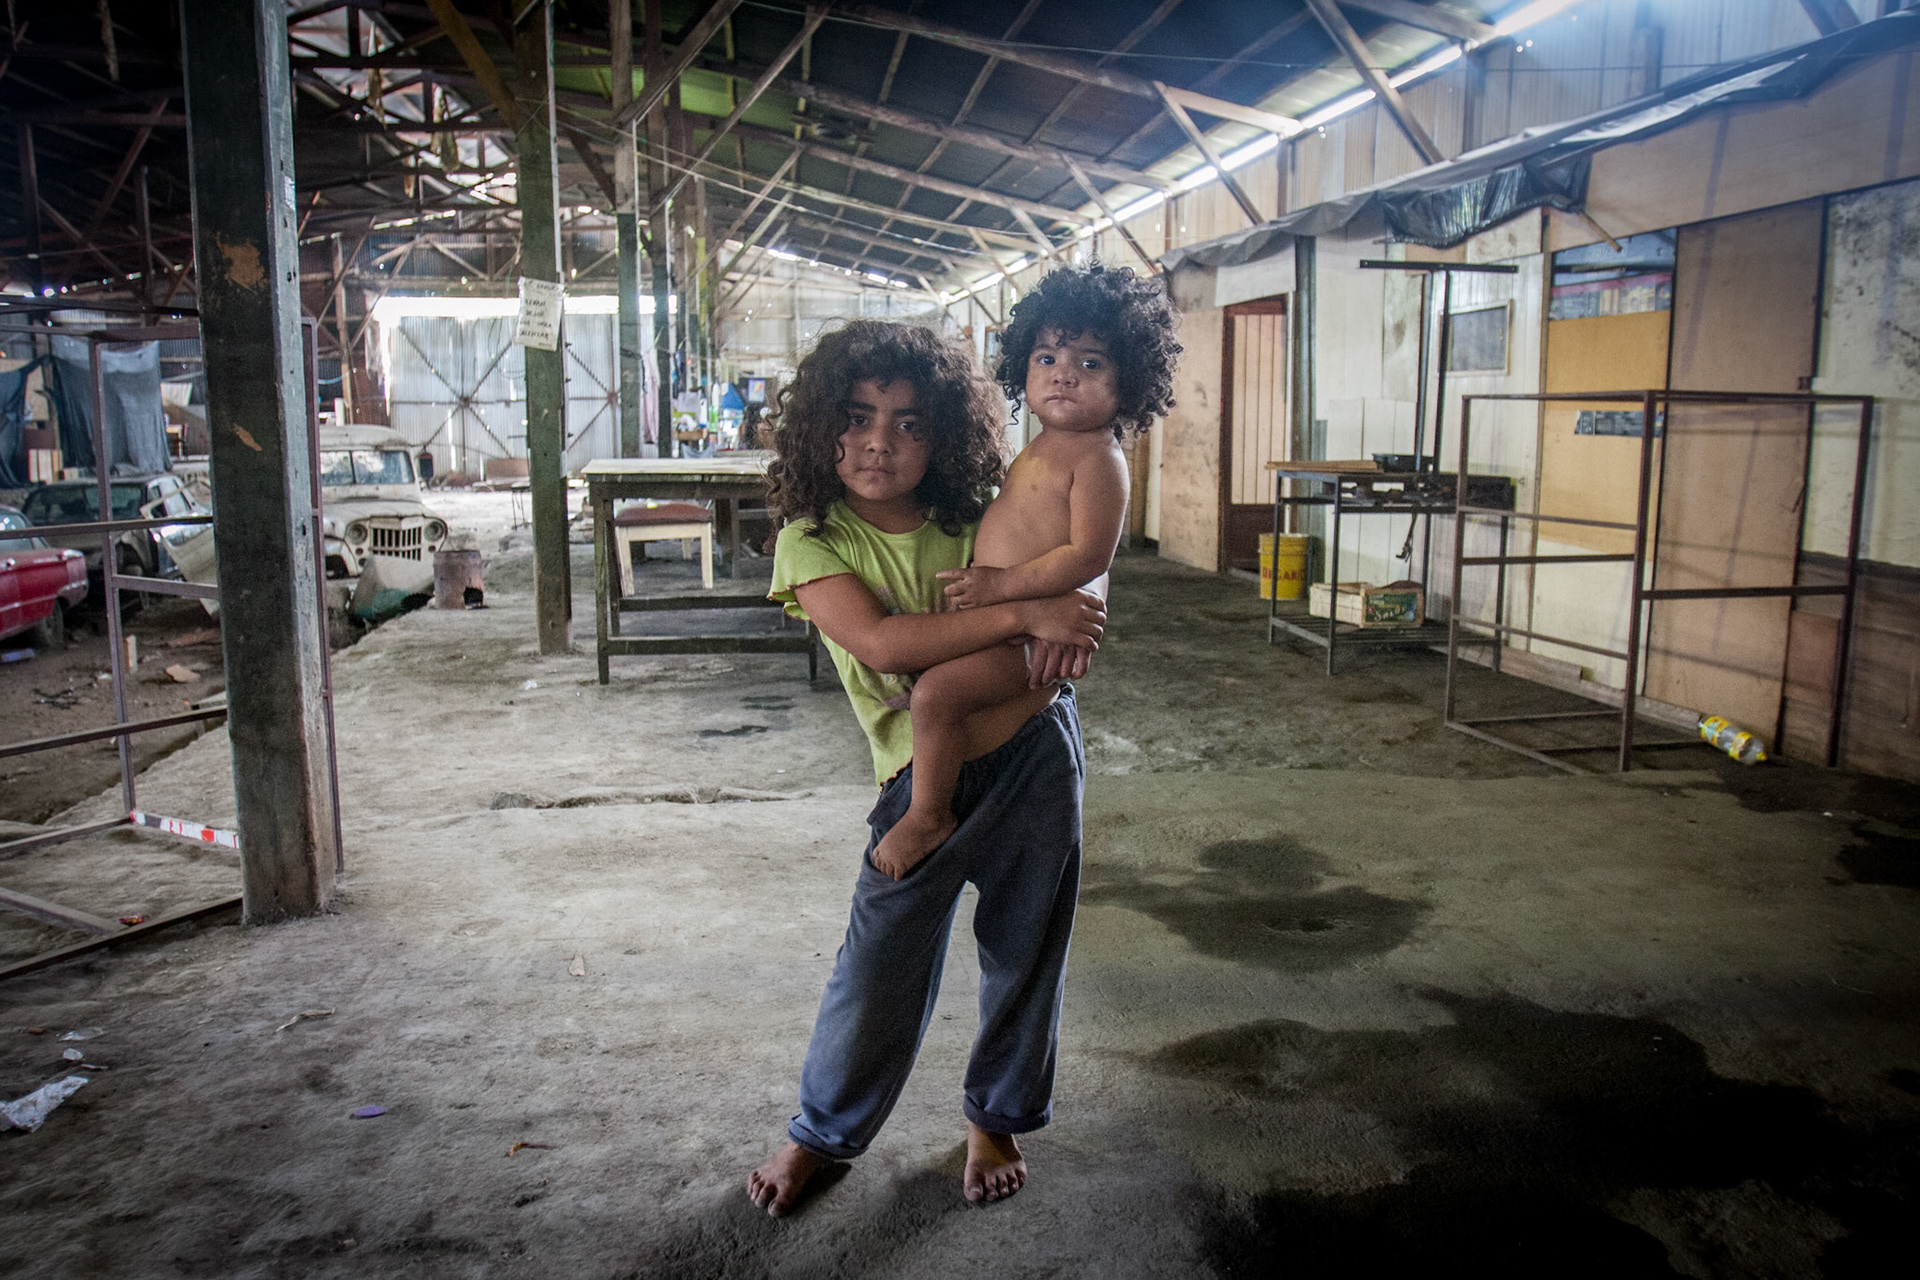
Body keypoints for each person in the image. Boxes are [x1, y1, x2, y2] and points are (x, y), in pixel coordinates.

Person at [747, 319, 1107, 1216]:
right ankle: (821, 1131)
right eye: (857, 417)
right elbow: (883, 643)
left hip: (1032, 750)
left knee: (1025, 948)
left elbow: (1076, 577)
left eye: (909, 423)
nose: (881, 442)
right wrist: (1024, 615)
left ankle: (996, 1118)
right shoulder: (813, 541)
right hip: (920, 781)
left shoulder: (971, 516)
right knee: (877, 963)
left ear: (941, 435)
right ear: (819, 428)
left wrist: (1066, 607)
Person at [872, 262, 1181, 879]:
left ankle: (928, 815)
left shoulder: (1099, 459)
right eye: (1046, 358)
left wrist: (1003, 585)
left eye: (1090, 363)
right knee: (937, 682)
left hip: (1032, 640)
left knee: (935, 695)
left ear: (1129, 383)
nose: (1064, 373)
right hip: (1014, 625)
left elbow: (1090, 555)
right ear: (1022, 369)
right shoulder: (1040, 447)